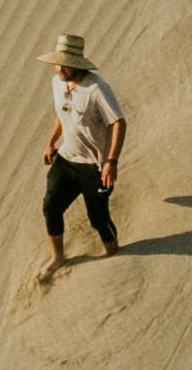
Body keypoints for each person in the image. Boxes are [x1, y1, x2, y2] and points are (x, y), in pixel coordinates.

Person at [37, 34, 127, 279]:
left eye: (64, 63)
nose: (58, 68)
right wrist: (51, 142)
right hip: (66, 159)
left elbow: (118, 123)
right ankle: (58, 257)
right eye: (57, 63)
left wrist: (111, 161)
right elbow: (61, 113)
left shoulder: (96, 89)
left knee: (98, 218)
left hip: (95, 167)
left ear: (77, 63)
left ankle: (114, 253)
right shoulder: (57, 82)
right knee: (50, 207)